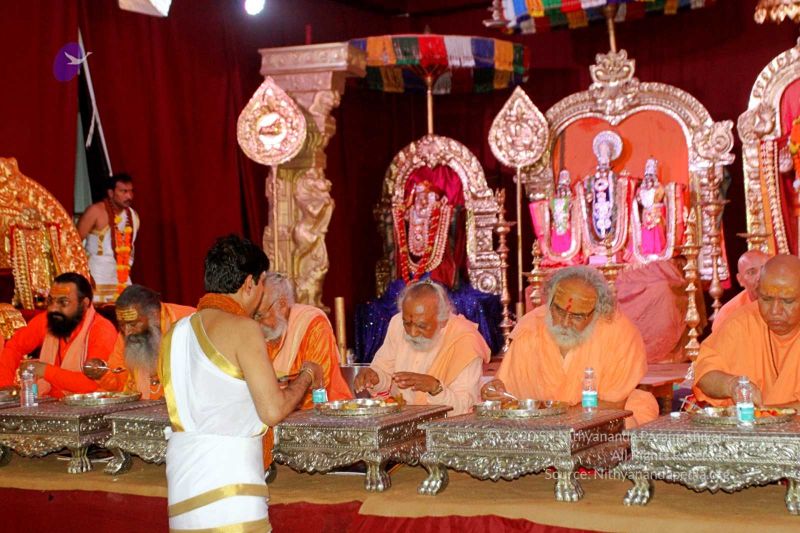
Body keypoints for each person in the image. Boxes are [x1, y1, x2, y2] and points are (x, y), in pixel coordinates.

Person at [162, 235, 321, 532]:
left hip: (182, 488)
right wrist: (307, 376)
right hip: (230, 491)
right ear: (249, 283)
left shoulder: (175, 332)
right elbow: (272, 411)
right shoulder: (243, 329)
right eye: (262, 284)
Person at [482, 266, 658, 428]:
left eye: (577, 316)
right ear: (549, 300)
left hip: (595, 421)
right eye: (559, 310)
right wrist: (494, 392)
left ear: (598, 312)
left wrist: (557, 419)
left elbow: (614, 405)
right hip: (537, 425)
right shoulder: (531, 327)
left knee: (623, 424)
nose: (565, 323)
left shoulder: (620, 333)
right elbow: (508, 392)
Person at [353, 280, 490, 416]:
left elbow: (464, 407)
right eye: (407, 324)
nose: (412, 333)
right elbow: (384, 372)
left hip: (444, 425)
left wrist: (435, 388)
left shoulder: (465, 340)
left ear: (442, 321)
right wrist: (375, 377)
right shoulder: (397, 323)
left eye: (421, 326)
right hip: (400, 419)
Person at [694, 254, 800, 408]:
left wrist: (769, 412)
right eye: (766, 299)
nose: (775, 311)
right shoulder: (741, 322)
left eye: (787, 301)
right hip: (748, 421)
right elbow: (704, 374)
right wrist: (731, 385)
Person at [0, 273, 117, 397]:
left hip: (92, 404)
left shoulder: (102, 331)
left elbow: (91, 384)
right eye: (51, 300)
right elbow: (14, 347)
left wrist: (45, 371)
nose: (54, 308)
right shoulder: (48, 320)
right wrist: (4, 385)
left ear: (84, 304)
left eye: (63, 302)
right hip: (50, 402)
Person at [256, 272, 352, 409]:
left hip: (324, 414)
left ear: (282, 304)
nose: (257, 322)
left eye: (260, 315)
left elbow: (318, 390)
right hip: (274, 411)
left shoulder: (314, 325)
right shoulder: (260, 331)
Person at [86, 284, 194, 399]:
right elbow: (119, 382)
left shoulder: (189, 322)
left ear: (154, 315)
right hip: (142, 406)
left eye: (133, 324)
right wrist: (103, 374)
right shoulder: (128, 335)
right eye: (122, 325)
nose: (127, 332)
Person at [77, 173, 139, 303]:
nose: (129, 196)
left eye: (131, 191)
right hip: (97, 276)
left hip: (122, 278)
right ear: (111, 193)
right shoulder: (95, 211)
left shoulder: (133, 216)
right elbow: (74, 243)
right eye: (123, 191)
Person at [711, 249, 770, 333]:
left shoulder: (787, 303)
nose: (760, 277)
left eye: (765, 269)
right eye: (751, 272)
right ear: (740, 280)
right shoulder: (728, 314)